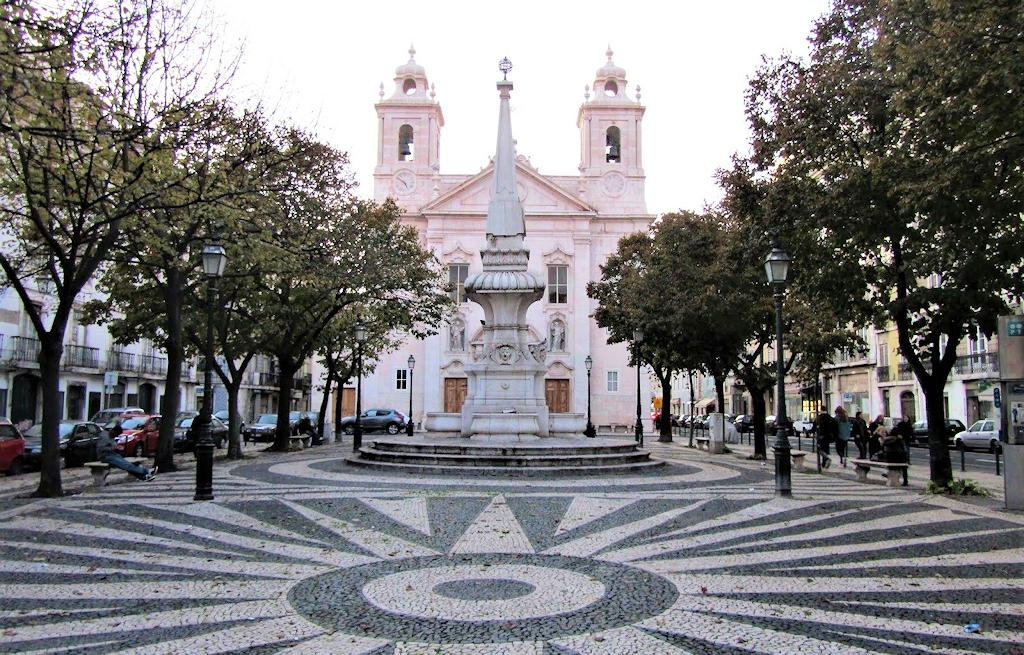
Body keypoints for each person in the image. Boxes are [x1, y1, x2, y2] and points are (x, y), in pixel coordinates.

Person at [889, 415, 914, 486]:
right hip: (898, 455)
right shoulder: (900, 426)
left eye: (906, 417)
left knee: (906, 452)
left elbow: (911, 432)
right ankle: (904, 480)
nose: (905, 419)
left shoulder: (908, 425)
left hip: (905, 441)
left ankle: (907, 460)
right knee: (903, 463)